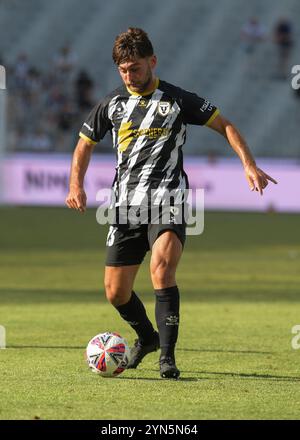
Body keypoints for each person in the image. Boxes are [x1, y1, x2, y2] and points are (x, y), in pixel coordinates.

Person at [66, 28, 277, 379]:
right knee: (116, 292)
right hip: (125, 206)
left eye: (135, 68)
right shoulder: (113, 104)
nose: (129, 76)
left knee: (162, 271)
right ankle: (147, 338)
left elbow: (225, 125)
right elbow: (84, 143)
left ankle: (167, 357)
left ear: (153, 62)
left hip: (169, 201)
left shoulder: (178, 99)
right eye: (123, 70)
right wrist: (76, 185)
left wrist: (249, 164)